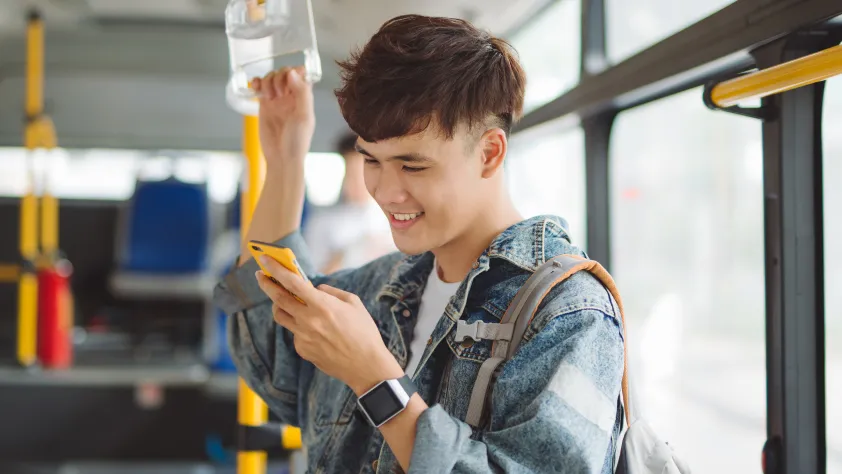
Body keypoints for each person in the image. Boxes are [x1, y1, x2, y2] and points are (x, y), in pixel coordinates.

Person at [214, 14, 625, 474]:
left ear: (490, 152)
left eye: (413, 167)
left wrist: (375, 380)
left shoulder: (570, 313)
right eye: (372, 160)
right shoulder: (383, 285)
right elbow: (271, 356)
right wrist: (287, 158)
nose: (387, 192)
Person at [302, 133, 396, 274]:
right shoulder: (322, 221)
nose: (356, 183)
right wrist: (345, 255)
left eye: (361, 174)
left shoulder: (395, 217)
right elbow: (312, 278)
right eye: (351, 174)